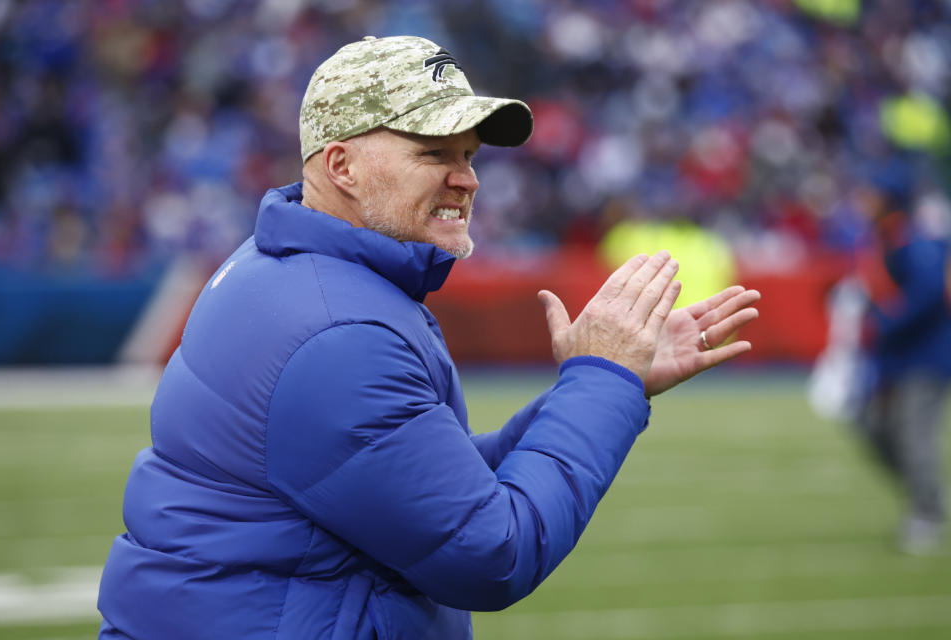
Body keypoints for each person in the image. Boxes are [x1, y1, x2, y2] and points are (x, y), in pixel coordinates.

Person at [97, 36, 760, 639]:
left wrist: (602, 378)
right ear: (342, 164)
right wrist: (600, 386)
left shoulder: (294, 269)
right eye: (433, 152)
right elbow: (491, 554)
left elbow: (406, 470)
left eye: (469, 155)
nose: (467, 178)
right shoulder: (341, 331)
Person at [855, 189, 951, 554]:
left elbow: (927, 293)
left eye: (870, 195)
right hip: (892, 359)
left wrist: (883, 320)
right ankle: (923, 495)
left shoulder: (913, 239)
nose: (862, 202)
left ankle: (927, 513)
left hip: (925, 357)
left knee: (915, 434)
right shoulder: (881, 239)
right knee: (873, 425)